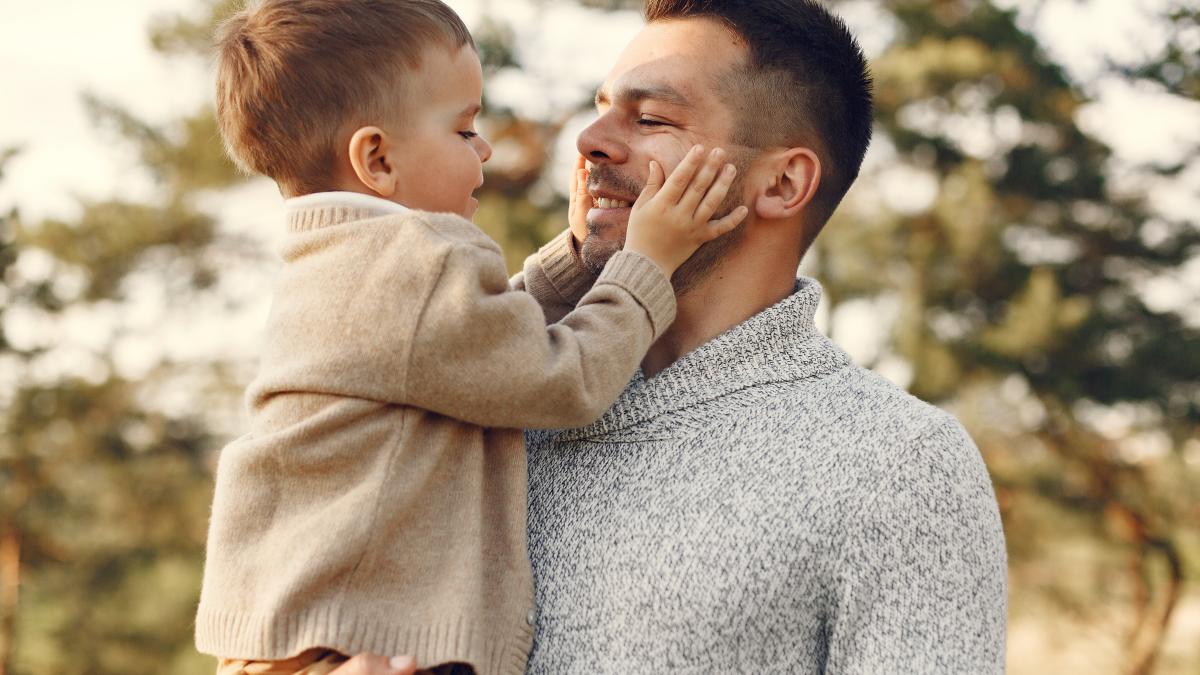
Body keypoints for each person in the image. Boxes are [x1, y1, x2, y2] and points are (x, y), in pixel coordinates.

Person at [344, 0, 1009, 671]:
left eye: (652, 118)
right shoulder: (473, 397)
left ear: (781, 182)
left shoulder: (898, 463)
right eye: (601, 107)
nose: (590, 139)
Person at [192, 1, 747, 674]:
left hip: (297, 635)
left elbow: (472, 348)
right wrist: (647, 264)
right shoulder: (419, 256)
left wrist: (576, 258)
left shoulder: (338, 257)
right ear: (376, 158)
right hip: (367, 642)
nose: (484, 148)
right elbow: (562, 379)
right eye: (463, 129)